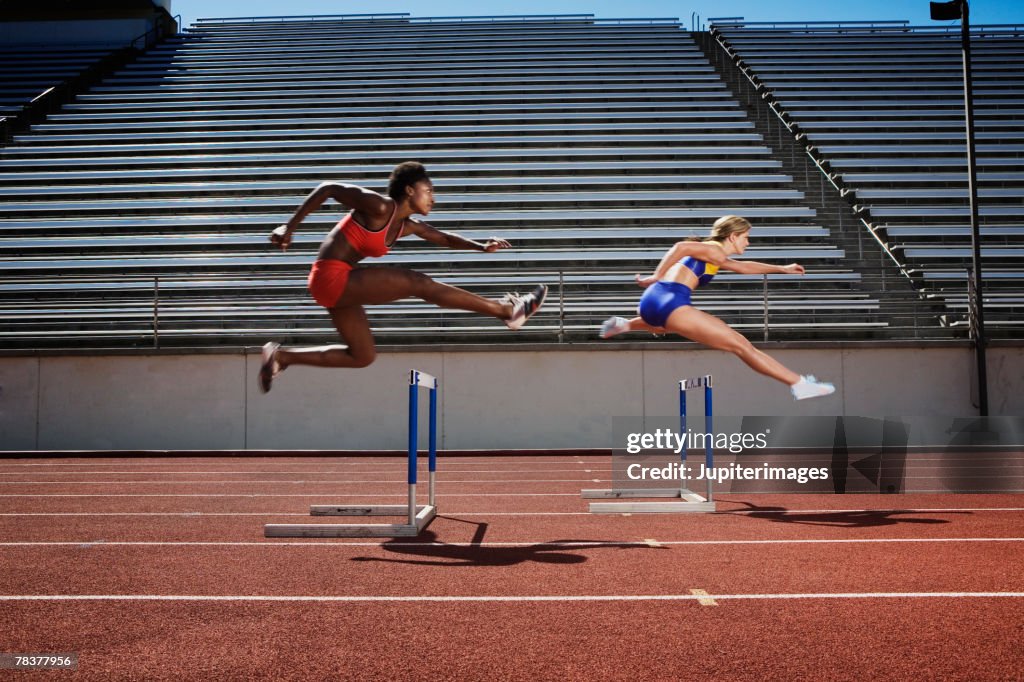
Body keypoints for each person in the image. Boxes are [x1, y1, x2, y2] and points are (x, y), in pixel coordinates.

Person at [258, 161, 546, 393]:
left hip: (341, 285)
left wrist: (482, 246)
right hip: (330, 276)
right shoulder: (380, 206)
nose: (434, 198)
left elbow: (444, 239)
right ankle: (506, 311)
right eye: (429, 190)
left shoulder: (408, 226)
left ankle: (282, 357)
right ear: (409, 190)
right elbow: (329, 188)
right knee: (416, 282)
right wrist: (289, 227)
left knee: (362, 356)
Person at [600, 215, 835, 400]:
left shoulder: (716, 256)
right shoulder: (713, 249)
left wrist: (782, 269)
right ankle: (800, 385)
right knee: (742, 346)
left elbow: (743, 267)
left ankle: (624, 324)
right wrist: (655, 275)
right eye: (746, 237)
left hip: (653, 303)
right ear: (733, 236)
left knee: (666, 328)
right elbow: (680, 246)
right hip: (670, 300)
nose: (748, 242)